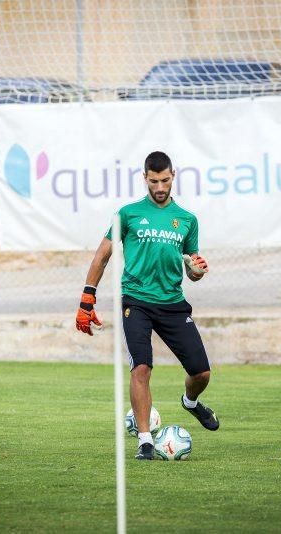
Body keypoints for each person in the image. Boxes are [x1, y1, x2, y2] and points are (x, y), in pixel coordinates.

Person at [76, 151, 219, 461]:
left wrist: (196, 272)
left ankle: (191, 403)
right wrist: (88, 298)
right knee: (141, 366)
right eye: (153, 181)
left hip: (173, 303)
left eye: (164, 180)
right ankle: (145, 440)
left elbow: (192, 268)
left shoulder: (187, 220)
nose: (159, 187)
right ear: (145, 179)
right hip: (136, 301)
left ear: (173, 176)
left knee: (202, 373)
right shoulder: (127, 214)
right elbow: (102, 255)